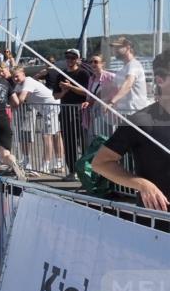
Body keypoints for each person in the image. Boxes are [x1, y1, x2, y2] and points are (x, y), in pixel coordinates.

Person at [91, 49, 170, 211]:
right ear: (160, 80)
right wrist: (142, 184)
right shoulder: (140, 121)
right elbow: (101, 163)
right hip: (157, 222)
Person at [11, 65, 63, 173]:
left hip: (52, 106)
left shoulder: (28, 82)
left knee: (46, 136)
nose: (15, 79)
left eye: (17, 76)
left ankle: (46, 165)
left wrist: (12, 104)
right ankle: (59, 161)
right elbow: (13, 97)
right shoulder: (18, 85)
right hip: (45, 109)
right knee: (56, 134)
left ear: (23, 74)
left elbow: (20, 99)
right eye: (13, 77)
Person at [55, 49, 92, 180]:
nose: (70, 60)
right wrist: (64, 91)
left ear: (78, 59)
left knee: (83, 143)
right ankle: (72, 171)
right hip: (65, 112)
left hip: (80, 112)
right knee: (69, 143)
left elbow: (87, 93)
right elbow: (55, 95)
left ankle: (86, 172)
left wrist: (70, 87)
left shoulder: (84, 73)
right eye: (68, 57)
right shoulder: (61, 74)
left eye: (73, 58)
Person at [0, 64, 25, 180]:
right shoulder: (6, 83)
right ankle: (13, 162)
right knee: (5, 154)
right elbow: (16, 102)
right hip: (3, 119)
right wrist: (8, 106)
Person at [108, 35, 149, 112]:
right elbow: (113, 89)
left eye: (118, 47)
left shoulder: (134, 65)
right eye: (114, 48)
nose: (114, 50)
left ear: (128, 47)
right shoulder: (122, 69)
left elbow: (128, 84)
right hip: (125, 112)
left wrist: (111, 102)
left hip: (135, 112)